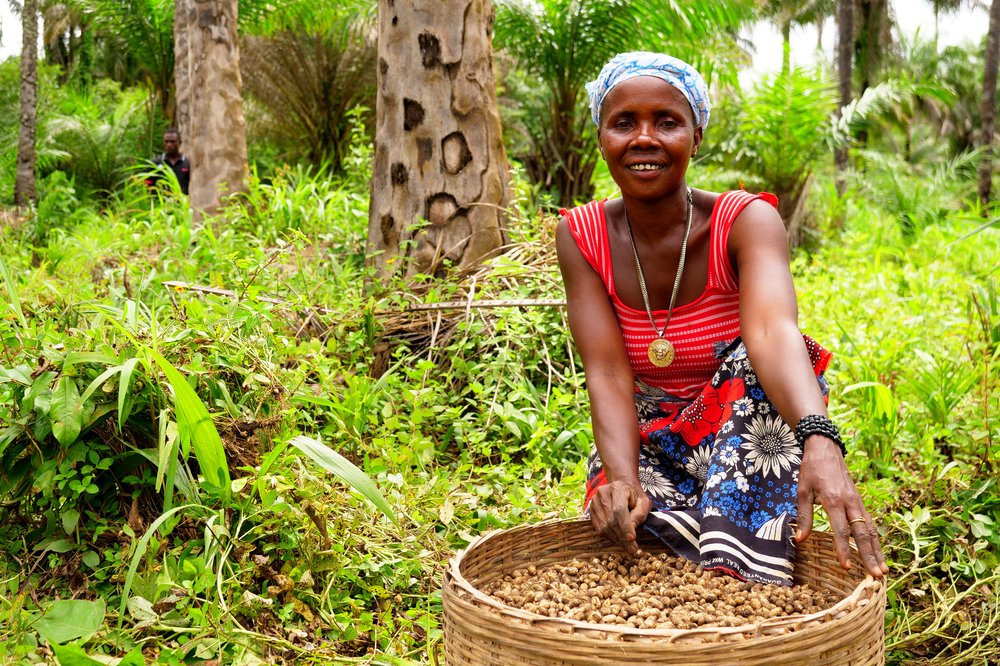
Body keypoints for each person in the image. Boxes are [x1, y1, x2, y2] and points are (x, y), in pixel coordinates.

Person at [556, 52, 888, 585]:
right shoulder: (581, 235)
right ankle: (717, 546)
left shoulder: (745, 221)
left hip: (744, 434)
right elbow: (608, 371)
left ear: (697, 135)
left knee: (752, 365)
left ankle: (737, 570)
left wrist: (820, 440)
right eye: (623, 123)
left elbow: (771, 332)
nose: (644, 139)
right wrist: (621, 478)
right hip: (651, 437)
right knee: (624, 514)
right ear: (601, 138)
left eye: (667, 122)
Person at [145, 128, 190, 195]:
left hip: (181, 203)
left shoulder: (187, 164)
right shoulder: (155, 163)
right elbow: (147, 185)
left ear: (179, 142)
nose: (169, 145)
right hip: (160, 204)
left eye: (172, 142)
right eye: (166, 141)